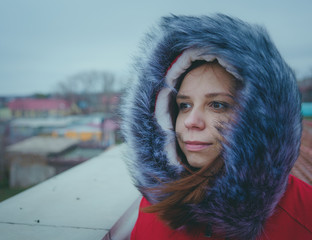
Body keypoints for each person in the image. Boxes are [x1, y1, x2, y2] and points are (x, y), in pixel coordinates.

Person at [121, 14, 312, 240]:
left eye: (217, 105)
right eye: (184, 105)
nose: (192, 121)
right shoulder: (156, 203)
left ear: (261, 119)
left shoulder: (304, 213)